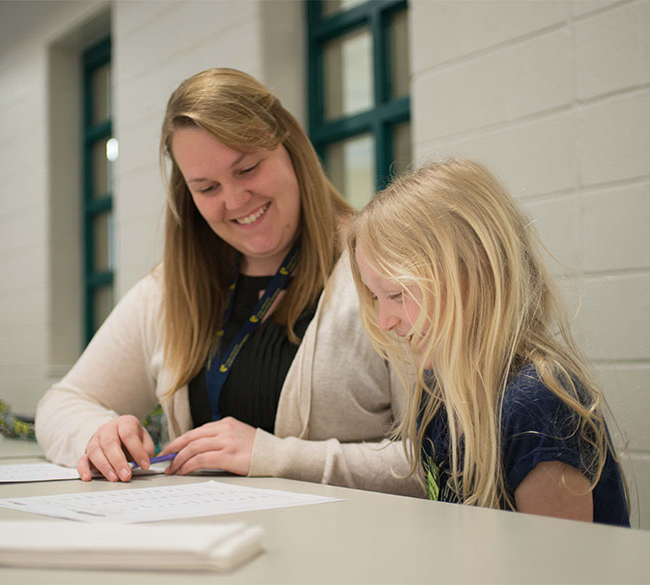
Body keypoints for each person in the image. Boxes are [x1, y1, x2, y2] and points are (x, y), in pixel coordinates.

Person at [34, 68, 422, 497]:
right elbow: (61, 403)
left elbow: (439, 460)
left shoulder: (380, 273)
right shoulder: (170, 290)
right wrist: (98, 434)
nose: (235, 201)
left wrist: (275, 457)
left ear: (291, 149)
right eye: (207, 187)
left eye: (248, 168)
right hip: (215, 548)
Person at [348, 158, 629, 525]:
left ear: (477, 271)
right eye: (375, 297)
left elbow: (558, 572)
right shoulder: (435, 397)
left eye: (398, 294)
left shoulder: (537, 405)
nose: (386, 321)